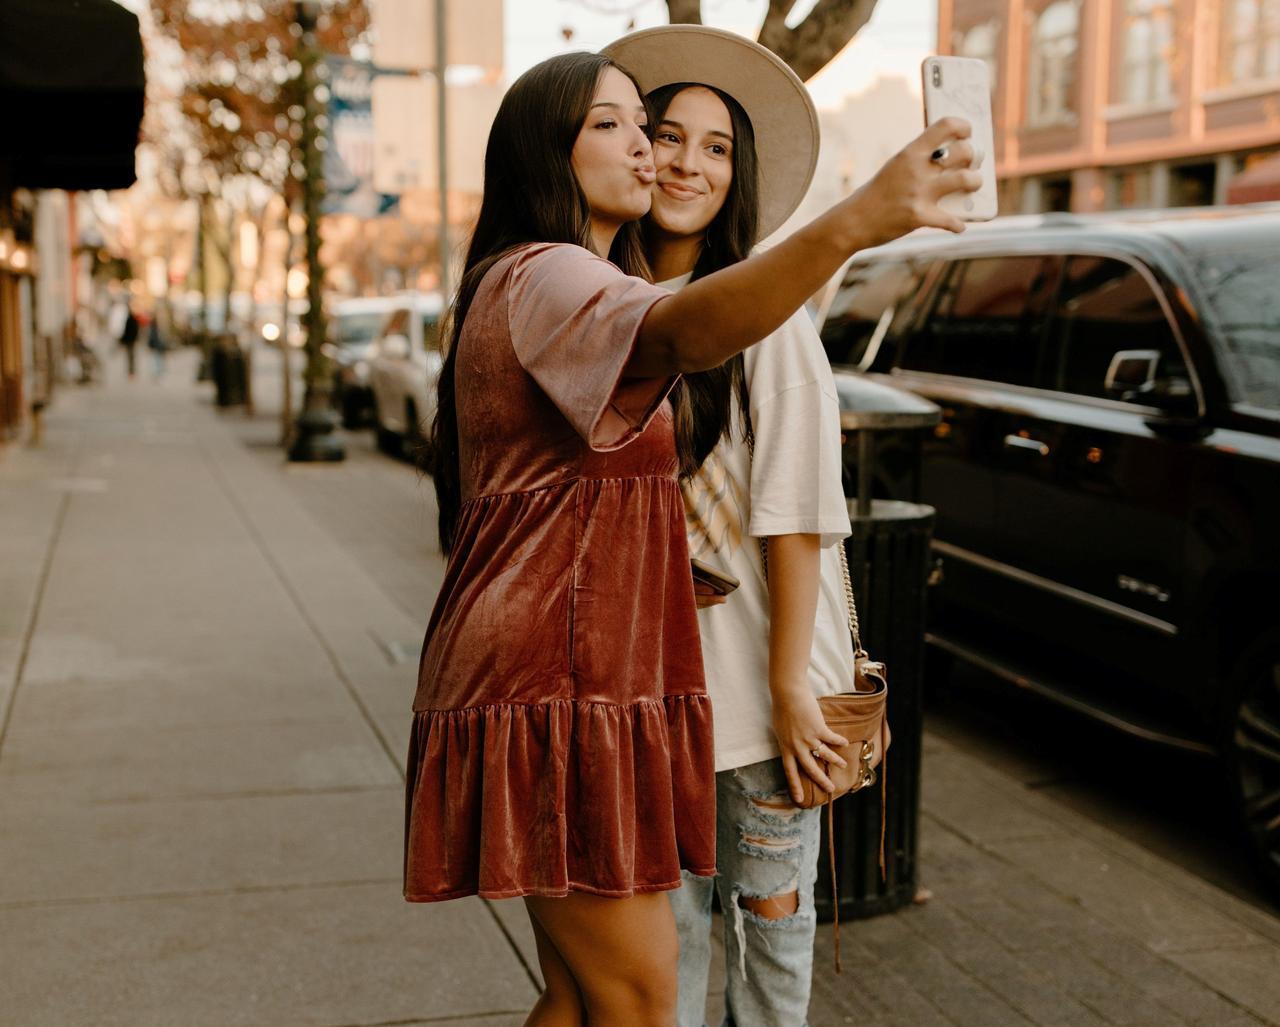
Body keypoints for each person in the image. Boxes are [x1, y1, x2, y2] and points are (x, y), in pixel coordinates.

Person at [405, 47, 979, 1027]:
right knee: (637, 997)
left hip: (561, 680)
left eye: (657, 127)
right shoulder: (549, 275)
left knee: (588, 993)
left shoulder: (550, 280)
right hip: (560, 688)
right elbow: (681, 335)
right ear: (549, 149)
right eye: (622, 126)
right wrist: (853, 222)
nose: (654, 152)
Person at [606, 25, 870, 1026]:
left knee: (766, 954)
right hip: (633, 698)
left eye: (715, 147)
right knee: (654, 963)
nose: (685, 163)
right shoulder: (596, 299)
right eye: (667, 136)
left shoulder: (770, 313)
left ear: (738, 174)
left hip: (760, 707)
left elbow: (796, 512)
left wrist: (787, 689)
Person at [119, 302, 140, 379]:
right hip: (131, 341)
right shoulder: (133, 320)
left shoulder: (129, 320)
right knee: (131, 357)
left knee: (130, 357)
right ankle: (131, 371)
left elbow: (126, 331)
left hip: (129, 341)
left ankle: (131, 372)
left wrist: (123, 340)